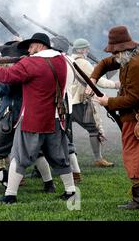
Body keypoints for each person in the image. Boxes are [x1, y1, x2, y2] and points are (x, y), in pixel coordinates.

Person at [0, 32, 76, 204]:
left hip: (34, 119)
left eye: (31, 46)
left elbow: (7, 77)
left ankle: (10, 195)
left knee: (19, 158)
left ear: (40, 46)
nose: (28, 50)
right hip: (56, 117)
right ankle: (71, 191)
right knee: (60, 156)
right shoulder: (60, 60)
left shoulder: (31, 62)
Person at [90, 26, 139, 210]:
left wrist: (108, 100)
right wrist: (93, 78)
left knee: (135, 158)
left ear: (123, 50)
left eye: (115, 51)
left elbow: (134, 98)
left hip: (138, 119)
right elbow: (106, 63)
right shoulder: (132, 58)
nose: (113, 55)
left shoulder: (135, 65)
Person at [70, 38, 119, 167]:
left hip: (68, 101)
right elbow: (97, 80)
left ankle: (68, 157)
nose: (87, 50)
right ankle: (98, 159)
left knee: (64, 132)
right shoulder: (83, 63)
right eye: (86, 48)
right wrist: (115, 84)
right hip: (80, 101)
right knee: (94, 129)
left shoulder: (69, 60)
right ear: (81, 50)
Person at [51, 36, 82, 183]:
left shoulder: (58, 61)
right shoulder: (70, 60)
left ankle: (74, 173)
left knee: (63, 141)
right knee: (65, 140)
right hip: (65, 105)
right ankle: (75, 172)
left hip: (59, 105)